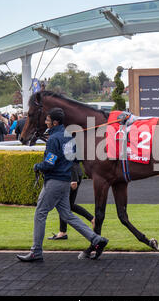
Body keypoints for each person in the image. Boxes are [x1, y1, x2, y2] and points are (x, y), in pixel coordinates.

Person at [17, 107, 108, 262]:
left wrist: (38, 166)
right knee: (67, 215)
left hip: (54, 181)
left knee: (40, 213)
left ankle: (36, 252)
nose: (45, 123)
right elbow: (75, 159)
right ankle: (95, 239)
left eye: (47, 120)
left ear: (55, 122)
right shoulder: (69, 136)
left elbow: (50, 163)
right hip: (65, 180)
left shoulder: (53, 139)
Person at [48, 162, 95, 240]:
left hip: (72, 176)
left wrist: (73, 180)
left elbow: (70, 158)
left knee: (63, 204)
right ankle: (92, 219)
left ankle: (62, 232)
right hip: (73, 174)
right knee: (69, 205)